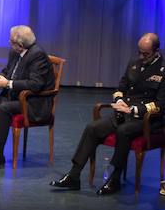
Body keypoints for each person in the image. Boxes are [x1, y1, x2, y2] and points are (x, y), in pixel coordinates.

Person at [51, 32, 163, 194]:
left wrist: (133, 109)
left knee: (123, 131)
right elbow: (120, 88)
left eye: (145, 53)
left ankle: (114, 179)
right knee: (92, 128)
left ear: (156, 51)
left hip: (148, 120)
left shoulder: (162, 70)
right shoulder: (134, 63)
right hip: (125, 113)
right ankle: (74, 176)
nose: (141, 56)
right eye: (139, 52)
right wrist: (119, 101)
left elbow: (161, 104)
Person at [0, 25, 54, 170]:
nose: (9, 44)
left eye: (11, 42)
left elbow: (35, 85)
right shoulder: (15, 53)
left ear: (20, 45)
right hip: (14, 98)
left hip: (33, 103)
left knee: (4, 107)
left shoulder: (37, 56)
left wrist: (8, 83)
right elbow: (8, 71)